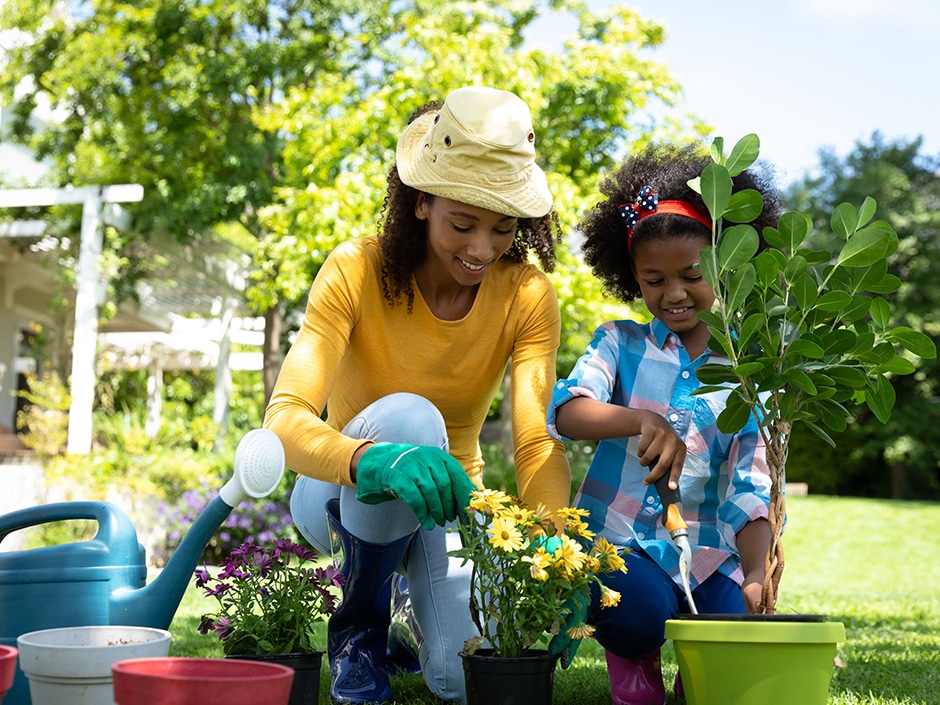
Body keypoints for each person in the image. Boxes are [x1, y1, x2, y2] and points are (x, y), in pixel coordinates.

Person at [263, 85, 571, 705]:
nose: (482, 249)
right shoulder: (354, 269)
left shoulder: (527, 294)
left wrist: (555, 538)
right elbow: (285, 421)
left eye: (503, 229)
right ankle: (359, 630)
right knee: (410, 417)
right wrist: (374, 460)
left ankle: (408, 617)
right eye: (463, 223)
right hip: (339, 492)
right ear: (421, 202)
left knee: (462, 680)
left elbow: (534, 438)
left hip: (447, 503)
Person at [546, 143, 782, 705]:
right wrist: (639, 417)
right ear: (632, 277)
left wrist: (754, 573)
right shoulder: (619, 342)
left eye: (691, 276)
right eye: (653, 279)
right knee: (636, 616)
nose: (673, 293)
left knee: (730, 642)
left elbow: (751, 486)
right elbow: (566, 411)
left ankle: (694, 683)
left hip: (711, 551)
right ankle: (633, 664)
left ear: (727, 268)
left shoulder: (747, 371)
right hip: (622, 543)